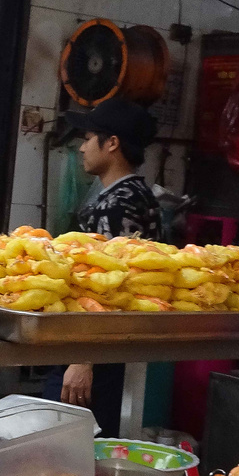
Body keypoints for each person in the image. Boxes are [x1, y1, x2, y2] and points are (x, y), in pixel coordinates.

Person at [45, 96, 162, 436]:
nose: (81, 148)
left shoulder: (117, 206)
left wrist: (84, 360)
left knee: (68, 444)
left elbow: (110, 287)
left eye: (88, 137)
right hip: (114, 346)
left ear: (111, 143)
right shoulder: (138, 195)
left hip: (100, 351)